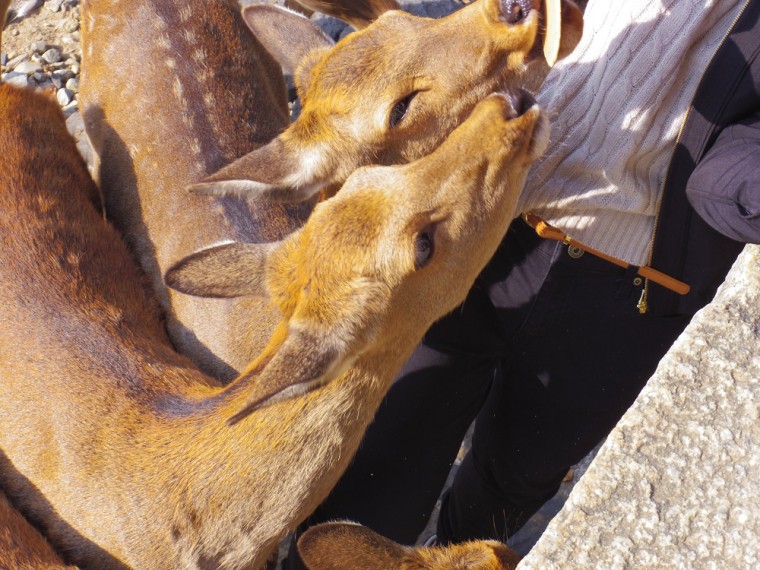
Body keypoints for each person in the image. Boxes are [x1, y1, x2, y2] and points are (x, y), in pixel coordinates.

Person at [286, 0, 760, 564]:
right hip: (482, 229)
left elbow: (731, 176)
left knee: (511, 479)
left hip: (628, 292)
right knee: (386, 449)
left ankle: (453, 551)